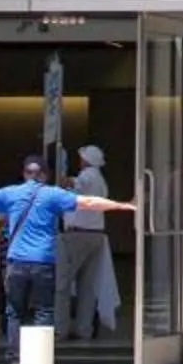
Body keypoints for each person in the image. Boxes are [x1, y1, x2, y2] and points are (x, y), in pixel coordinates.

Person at [0, 155, 135, 364]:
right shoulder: (53, 194)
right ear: (45, 175)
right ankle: (41, 362)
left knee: (15, 312)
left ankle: (15, 363)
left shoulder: (11, 193)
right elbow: (89, 202)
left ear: (25, 173)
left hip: (16, 262)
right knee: (44, 312)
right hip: (44, 262)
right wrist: (124, 205)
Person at [60, 145, 115, 340]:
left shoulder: (88, 176)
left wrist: (61, 165)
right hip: (96, 235)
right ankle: (84, 329)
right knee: (87, 286)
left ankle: (60, 329)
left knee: (62, 284)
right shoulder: (101, 180)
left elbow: (68, 183)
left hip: (77, 235)